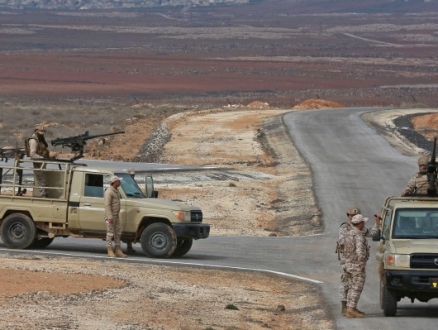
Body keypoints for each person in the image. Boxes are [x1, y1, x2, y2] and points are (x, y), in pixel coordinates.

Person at [337, 206, 380, 316]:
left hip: (351, 261)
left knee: (353, 285)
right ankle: (345, 307)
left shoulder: (359, 229)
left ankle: (351, 308)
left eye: (355, 215)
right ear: (348, 216)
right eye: (351, 215)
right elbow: (343, 243)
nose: (353, 217)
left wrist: (377, 223)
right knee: (348, 284)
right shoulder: (345, 228)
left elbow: (371, 233)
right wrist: (360, 263)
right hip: (348, 260)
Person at [343, 214, 370, 318]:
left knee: (351, 287)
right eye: (363, 222)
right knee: (356, 288)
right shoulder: (358, 235)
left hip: (348, 264)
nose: (364, 224)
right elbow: (360, 252)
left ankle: (350, 308)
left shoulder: (348, 234)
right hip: (356, 266)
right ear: (360, 223)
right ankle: (350, 310)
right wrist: (362, 264)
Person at [26, 125, 56, 197]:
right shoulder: (33, 141)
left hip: (42, 162)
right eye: (41, 131)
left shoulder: (40, 140)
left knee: (43, 180)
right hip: (38, 163)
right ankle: (43, 195)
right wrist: (42, 158)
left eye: (43, 131)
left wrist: (49, 156)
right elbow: (32, 154)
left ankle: (45, 194)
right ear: (36, 131)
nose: (42, 133)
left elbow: (43, 151)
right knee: (41, 179)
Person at [104, 175, 127, 258]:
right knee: (110, 233)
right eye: (119, 181)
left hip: (116, 216)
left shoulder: (116, 191)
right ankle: (109, 250)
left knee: (117, 233)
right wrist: (110, 217)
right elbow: (107, 205)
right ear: (115, 182)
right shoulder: (109, 192)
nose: (120, 182)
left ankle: (118, 249)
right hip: (111, 216)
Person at [125, 167, 137, 253]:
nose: (132, 176)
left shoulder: (133, 183)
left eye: (133, 175)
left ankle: (129, 246)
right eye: (131, 175)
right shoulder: (123, 183)